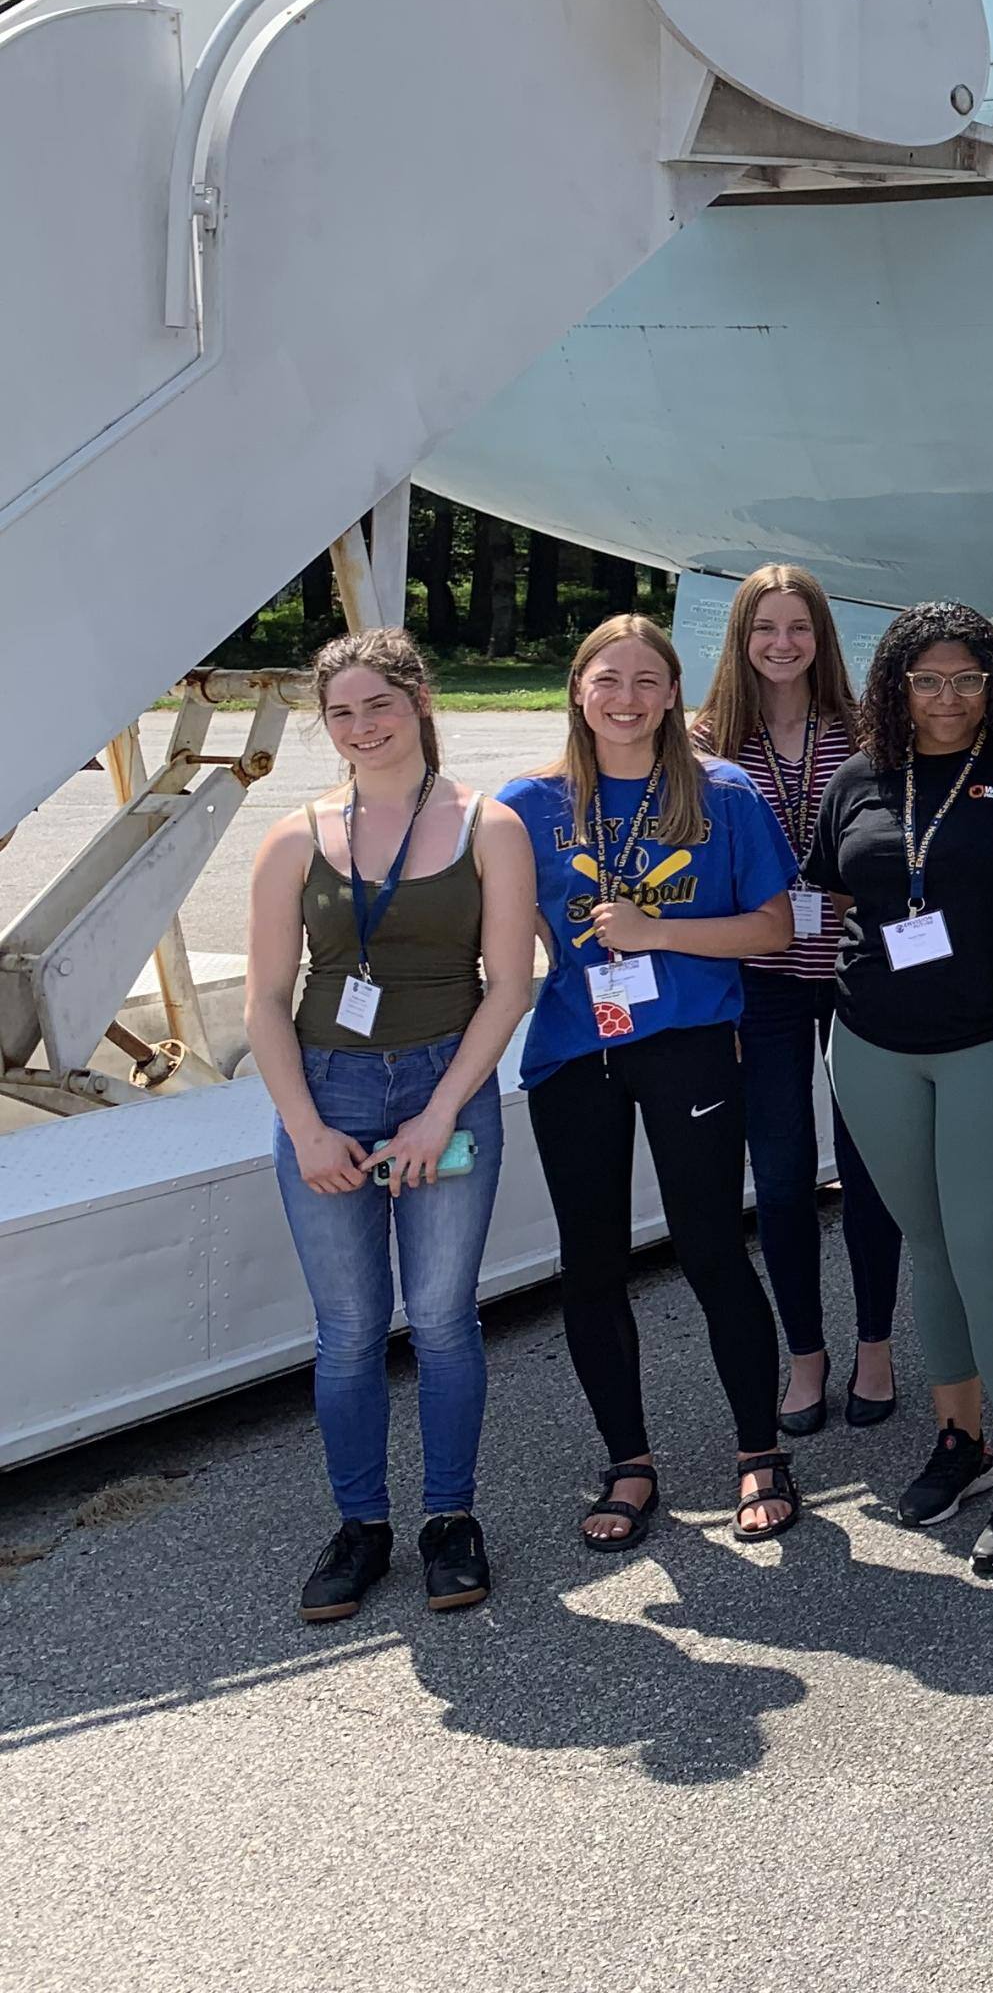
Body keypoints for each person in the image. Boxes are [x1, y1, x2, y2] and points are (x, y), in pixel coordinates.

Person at [243, 631, 537, 1622]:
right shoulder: (293, 838)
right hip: (326, 1094)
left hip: (439, 1087)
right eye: (341, 713)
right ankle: (360, 1526)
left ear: (418, 700)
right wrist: (307, 1128)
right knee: (349, 1330)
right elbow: (265, 1002)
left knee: (446, 1320)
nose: (362, 728)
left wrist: (440, 1111)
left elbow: (509, 986)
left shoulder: (486, 825)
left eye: (379, 705)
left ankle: (449, 1519)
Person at [499, 616, 799, 1549]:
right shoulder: (527, 804)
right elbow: (516, 939)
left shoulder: (722, 793)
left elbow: (773, 929)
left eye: (645, 682)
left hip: (689, 1044)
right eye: (606, 681)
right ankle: (628, 1461)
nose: (625, 699)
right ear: (578, 692)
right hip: (573, 1054)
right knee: (591, 1264)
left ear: (674, 695)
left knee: (711, 1246)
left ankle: (760, 1450)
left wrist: (658, 932)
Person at [809, 603, 993, 1576]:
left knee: (987, 1254)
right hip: (873, 1043)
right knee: (927, 1248)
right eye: (928, 679)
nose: (949, 697)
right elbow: (839, 895)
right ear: (896, 686)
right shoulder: (857, 779)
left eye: (968, 678)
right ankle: (957, 1439)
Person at [694, 566, 902, 1438]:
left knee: (868, 1174)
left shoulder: (864, 734)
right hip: (763, 984)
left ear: (823, 639)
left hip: (859, 973)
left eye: (799, 628)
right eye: (764, 629)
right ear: (740, 641)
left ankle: (876, 1345)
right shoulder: (705, 741)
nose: (782, 645)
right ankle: (806, 1353)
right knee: (780, 1179)